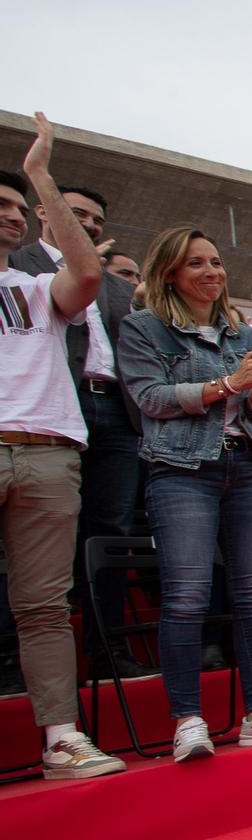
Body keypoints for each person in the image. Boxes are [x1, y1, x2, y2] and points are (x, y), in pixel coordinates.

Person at [117, 227, 252, 760]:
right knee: (186, 596)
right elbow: (150, 398)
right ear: (170, 273)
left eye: (217, 261)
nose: (212, 272)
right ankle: (188, 718)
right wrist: (229, 384)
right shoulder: (144, 328)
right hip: (180, 468)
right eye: (196, 263)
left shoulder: (241, 335)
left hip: (246, 464)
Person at [0, 116, 125, 778]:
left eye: (21, 207)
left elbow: (85, 271)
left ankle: (60, 736)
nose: (15, 216)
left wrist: (41, 175)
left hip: (49, 451)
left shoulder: (35, 290)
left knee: (46, 603)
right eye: (4, 205)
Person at [7, 175, 148, 679]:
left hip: (115, 412)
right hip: (47, 413)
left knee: (108, 533)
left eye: (95, 220)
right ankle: (14, 660)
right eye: (77, 215)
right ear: (45, 212)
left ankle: (108, 649)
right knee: (30, 540)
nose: (87, 224)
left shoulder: (115, 286)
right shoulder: (18, 266)